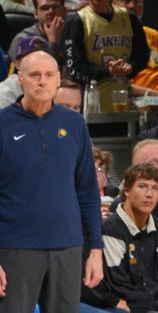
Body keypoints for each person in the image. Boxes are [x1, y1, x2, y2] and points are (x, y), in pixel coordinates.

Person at [0, 49, 103, 312]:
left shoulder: (75, 123)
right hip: (14, 248)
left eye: (48, 75)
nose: (42, 81)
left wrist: (96, 251)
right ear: (20, 79)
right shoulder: (3, 123)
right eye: (35, 75)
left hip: (67, 247)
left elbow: (88, 192)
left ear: (58, 79)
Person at [84, 164, 158, 313]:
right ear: (126, 190)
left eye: (155, 188)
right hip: (128, 308)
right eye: (142, 186)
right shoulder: (110, 230)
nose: (149, 194)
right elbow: (119, 285)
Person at [63, 0, 150, 111]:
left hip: (124, 100)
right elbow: (74, 69)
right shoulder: (76, 20)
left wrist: (131, 67)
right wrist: (107, 71)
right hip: (89, 104)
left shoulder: (130, 18)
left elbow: (142, 56)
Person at [8, 0, 67, 68]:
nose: (50, 11)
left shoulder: (71, 33)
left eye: (55, 7)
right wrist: (53, 43)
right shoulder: (23, 40)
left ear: (64, 11)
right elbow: (38, 74)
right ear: (36, 14)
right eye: (44, 8)